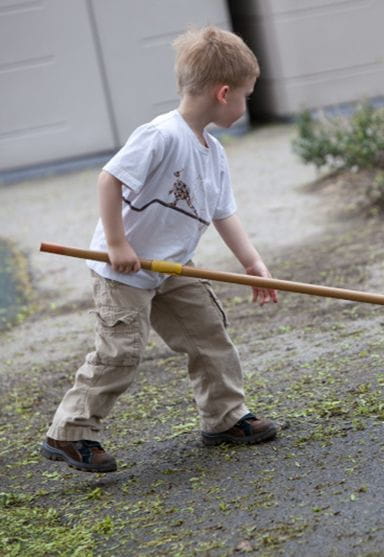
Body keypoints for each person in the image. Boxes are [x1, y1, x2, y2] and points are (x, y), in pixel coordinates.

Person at [41, 26, 278, 473]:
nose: (247, 104)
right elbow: (108, 180)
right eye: (246, 95)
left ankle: (225, 418)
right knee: (120, 352)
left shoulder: (214, 153)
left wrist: (252, 263)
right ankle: (70, 431)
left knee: (208, 334)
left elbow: (223, 212)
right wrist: (116, 242)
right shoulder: (161, 135)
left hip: (172, 267)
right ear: (223, 93)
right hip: (123, 271)